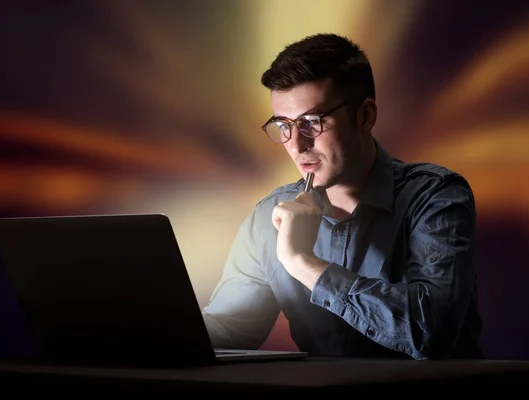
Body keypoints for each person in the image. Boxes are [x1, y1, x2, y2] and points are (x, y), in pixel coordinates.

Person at [201, 33, 484, 360]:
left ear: (365, 116)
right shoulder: (269, 216)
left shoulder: (435, 195)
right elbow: (231, 329)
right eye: (283, 126)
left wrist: (301, 262)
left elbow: (429, 332)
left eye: (312, 122)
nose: (296, 145)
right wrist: (146, 331)